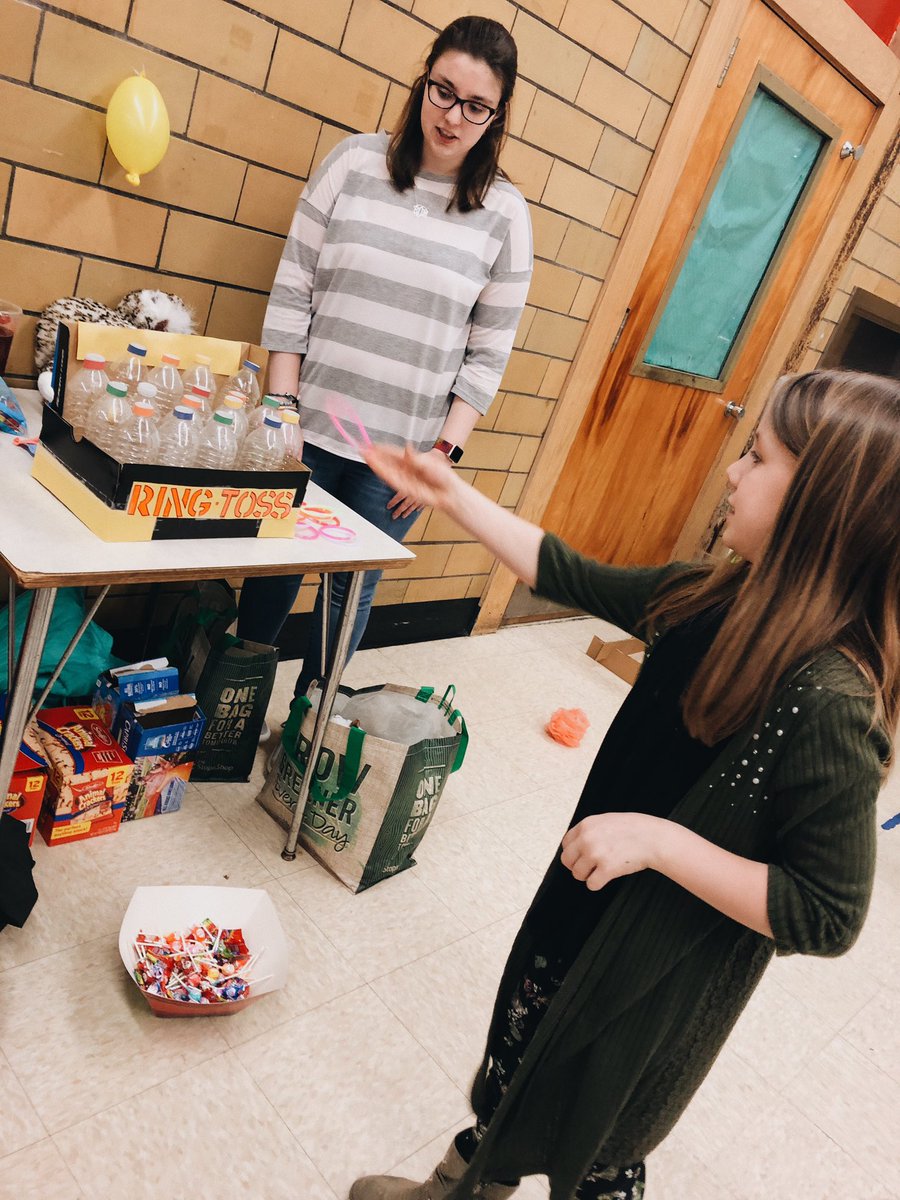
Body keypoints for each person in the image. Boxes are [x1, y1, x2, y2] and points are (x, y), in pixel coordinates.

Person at [350, 369, 899, 1200]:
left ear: (820, 507)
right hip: (584, 899)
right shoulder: (711, 595)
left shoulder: (830, 698)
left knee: (597, 1133)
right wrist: (453, 496)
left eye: (756, 458)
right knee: (520, 1061)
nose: (732, 473)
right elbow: (572, 574)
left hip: (651, 974)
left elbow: (827, 912)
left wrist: (662, 841)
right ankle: (460, 1189)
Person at [236, 15, 533, 704]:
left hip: (400, 455)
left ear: (496, 116)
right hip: (304, 429)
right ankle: (238, 706)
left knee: (351, 588)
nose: (452, 116)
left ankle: (313, 718)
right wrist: (279, 407)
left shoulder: (505, 215)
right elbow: (292, 290)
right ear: (422, 80)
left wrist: (445, 454)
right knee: (272, 570)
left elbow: (489, 352)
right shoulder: (352, 163)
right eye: (441, 91)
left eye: (475, 105)